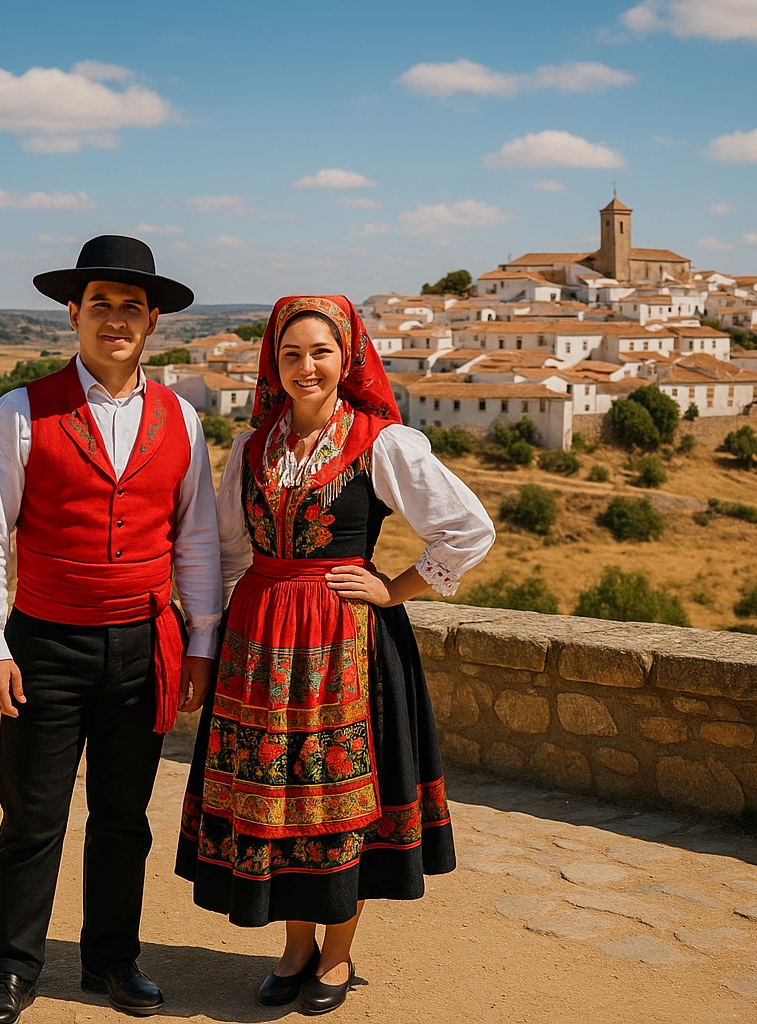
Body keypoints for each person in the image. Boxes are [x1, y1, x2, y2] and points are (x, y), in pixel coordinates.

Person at [175, 294, 494, 1015]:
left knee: (331, 798)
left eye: (320, 352)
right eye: (291, 354)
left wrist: (395, 589)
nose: (306, 366)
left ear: (346, 359)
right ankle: (294, 947)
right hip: (259, 646)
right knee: (278, 800)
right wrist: (216, 638)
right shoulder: (255, 448)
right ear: (273, 364)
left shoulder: (381, 443)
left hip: (344, 646)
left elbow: (468, 529)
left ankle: (338, 955)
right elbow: (229, 551)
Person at [0, 235, 223, 1023]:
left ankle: (112, 959)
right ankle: (10, 970)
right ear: (72, 314)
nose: (115, 319)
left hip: (145, 645)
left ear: (152, 325)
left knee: (122, 817)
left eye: (130, 307)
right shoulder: (20, 411)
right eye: (100, 304)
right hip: (45, 642)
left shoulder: (183, 418)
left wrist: (202, 641)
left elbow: (197, 537)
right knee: (33, 816)